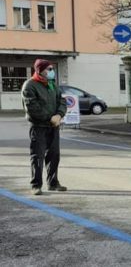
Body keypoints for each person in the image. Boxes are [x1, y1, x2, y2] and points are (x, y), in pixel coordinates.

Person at [21, 59, 67, 195]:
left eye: (52, 68)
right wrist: (50, 118)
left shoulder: (52, 84)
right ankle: (36, 185)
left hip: (53, 126)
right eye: (49, 69)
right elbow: (32, 108)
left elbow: (62, 100)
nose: (52, 71)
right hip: (39, 126)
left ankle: (53, 183)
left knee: (54, 155)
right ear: (40, 70)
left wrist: (59, 114)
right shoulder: (30, 85)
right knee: (37, 156)